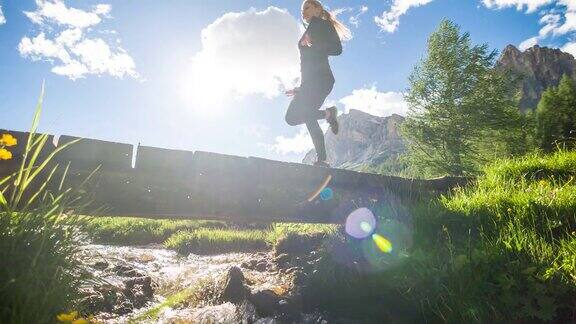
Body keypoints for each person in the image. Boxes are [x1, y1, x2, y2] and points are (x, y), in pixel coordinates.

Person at [285, 0, 351, 168]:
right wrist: (300, 87)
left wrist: (314, 45)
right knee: (292, 118)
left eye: (307, 7)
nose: (303, 12)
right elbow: (306, 62)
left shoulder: (322, 24)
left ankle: (322, 160)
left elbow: (337, 49)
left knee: (306, 115)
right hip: (309, 82)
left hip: (321, 79)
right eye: (302, 10)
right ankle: (328, 114)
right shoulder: (310, 29)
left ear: (318, 8)